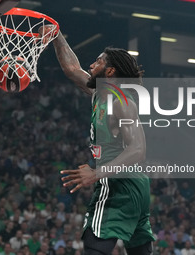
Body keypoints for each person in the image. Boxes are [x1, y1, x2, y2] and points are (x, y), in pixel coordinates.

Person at [39, 26, 155, 255]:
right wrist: (56, 35)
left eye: (98, 62)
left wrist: (96, 173)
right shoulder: (99, 95)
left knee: (95, 241)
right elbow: (73, 69)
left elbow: (138, 149)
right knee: (140, 250)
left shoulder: (120, 102)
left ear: (110, 71)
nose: (91, 65)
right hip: (137, 187)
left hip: (118, 184)